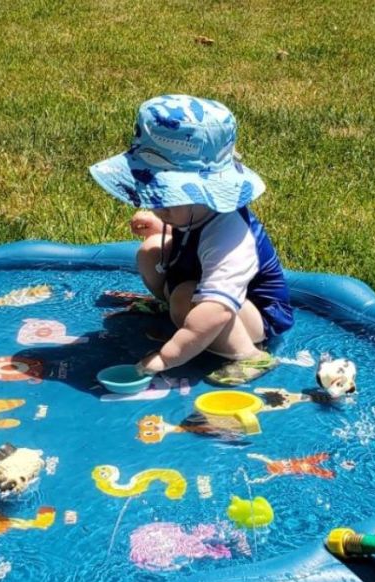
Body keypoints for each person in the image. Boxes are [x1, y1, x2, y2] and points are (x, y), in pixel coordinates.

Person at [89, 95, 293, 385]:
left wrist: (165, 358)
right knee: (150, 252)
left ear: (202, 193)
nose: (158, 205)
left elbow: (215, 311)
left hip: (254, 313)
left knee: (186, 296)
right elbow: (187, 231)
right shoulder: (193, 212)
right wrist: (160, 224)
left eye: (167, 198)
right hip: (202, 283)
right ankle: (176, 310)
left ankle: (248, 356)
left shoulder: (230, 237)